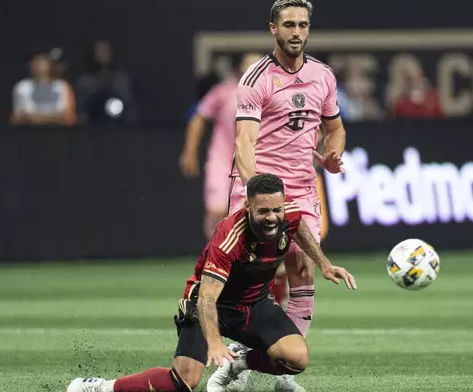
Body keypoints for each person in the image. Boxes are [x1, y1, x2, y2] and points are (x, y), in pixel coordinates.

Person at [65, 173, 357, 392]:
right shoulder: (230, 238)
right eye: (263, 212)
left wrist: (324, 264)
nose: (272, 218)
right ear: (247, 207)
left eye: (276, 210)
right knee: (184, 382)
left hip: (253, 304)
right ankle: (100, 387)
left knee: (297, 359)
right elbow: (206, 298)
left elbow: (299, 227)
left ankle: (240, 362)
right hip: (209, 305)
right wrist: (216, 344)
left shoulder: (289, 213)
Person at [209, 1, 347, 391]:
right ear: (273, 29)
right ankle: (237, 361)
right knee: (251, 278)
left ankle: (280, 371)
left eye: (303, 24)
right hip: (261, 190)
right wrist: (258, 197)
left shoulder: (323, 75)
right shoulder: (256, 79)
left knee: (302, 270)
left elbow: (335, 128)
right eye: (289, 24)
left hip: (302, 189)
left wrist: (334, 154)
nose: (296, 32)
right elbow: (244, 143)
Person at [179, 53, 264, 242]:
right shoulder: (224, 92)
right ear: (240, 69)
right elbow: (199, 117)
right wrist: (190, 151)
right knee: (216, 211)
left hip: (256, 161)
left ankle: (251, 260)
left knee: (255, 213)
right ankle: (216, 258)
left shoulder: (272, 94)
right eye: (249, 65)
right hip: (222, 159)